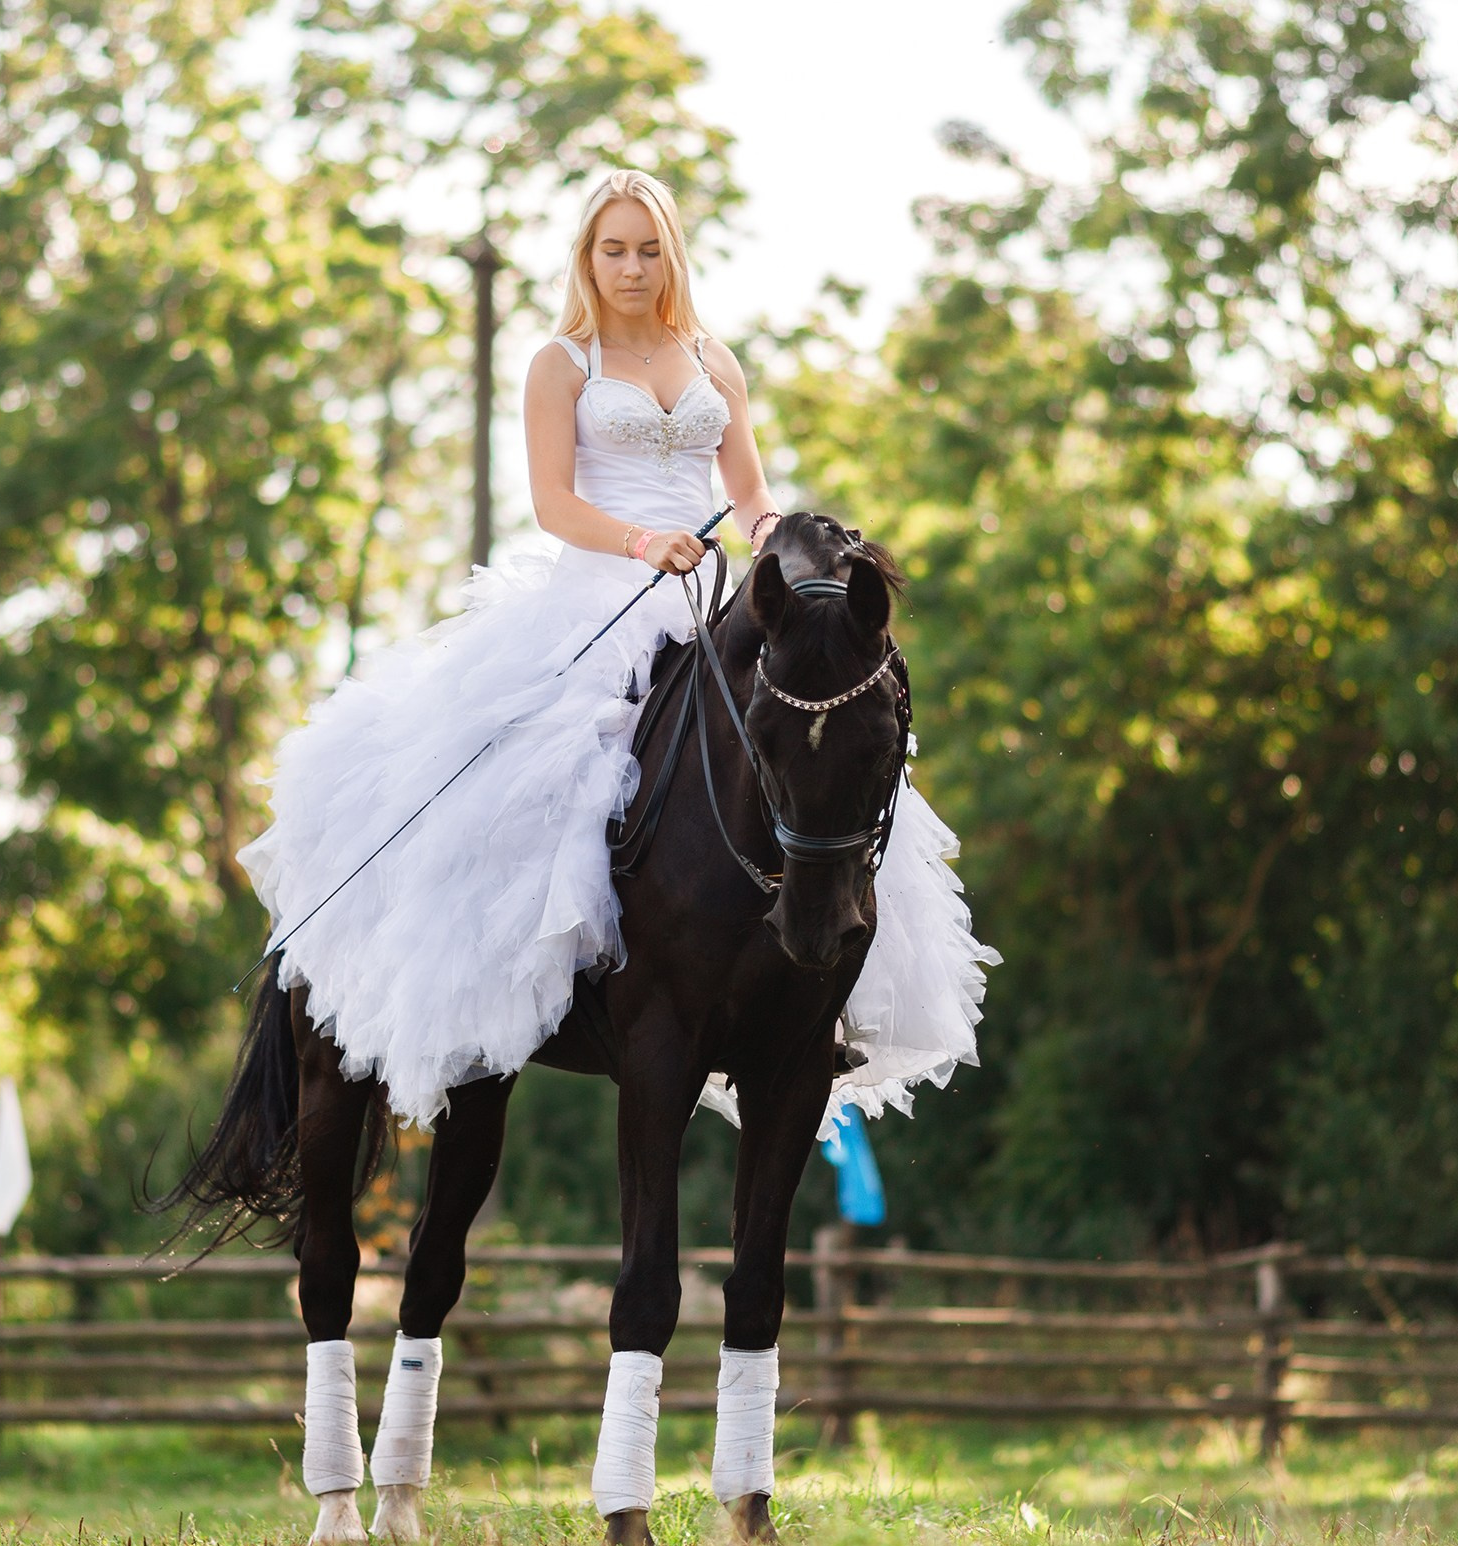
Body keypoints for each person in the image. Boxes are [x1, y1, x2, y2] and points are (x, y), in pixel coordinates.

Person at [239, 167, 994, 1138]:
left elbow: (751, 495)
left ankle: (819, 992)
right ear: (586, 258)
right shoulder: (562, 364)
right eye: (612, 249)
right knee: (551, 774)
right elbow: (552, 502)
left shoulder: (714, 360)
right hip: (601, 592)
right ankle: (544, 973)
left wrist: (788, 545)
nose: (630, 267)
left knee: (814, 753)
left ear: (669, 253)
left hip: (714, 598)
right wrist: (643, 543)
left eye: (646, 248)